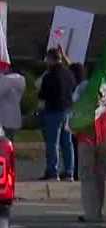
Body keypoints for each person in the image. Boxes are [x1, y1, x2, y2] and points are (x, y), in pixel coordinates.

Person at [38, 48, 75, 181]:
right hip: (67, 111)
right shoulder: (68, 74)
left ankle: (53, 172)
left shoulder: (49, 76)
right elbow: (73, 87)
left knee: (52, 143)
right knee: (67, 142)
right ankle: (69, 172)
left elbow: (42, 94)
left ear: (51, 59)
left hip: (53, 111)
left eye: (47, 59)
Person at [0, 67, 25, 140]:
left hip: (4, 117)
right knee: (10, 139)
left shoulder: (6, 80)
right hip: (15, 116)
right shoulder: (20, 81)